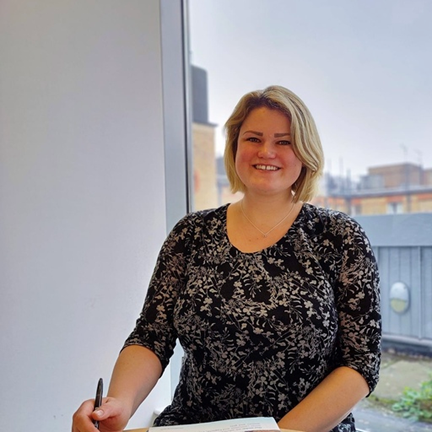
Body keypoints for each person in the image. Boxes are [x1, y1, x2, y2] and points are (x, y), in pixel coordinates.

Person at [72, 85, 381, 432]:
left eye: (284, 141)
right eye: (253, 138)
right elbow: (151, 336)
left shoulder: (339, 236)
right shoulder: (191, 233)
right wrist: (120, 402)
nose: (266, 151)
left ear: (305, 152)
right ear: (235, 146)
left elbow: (360, 362)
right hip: (195, 426)